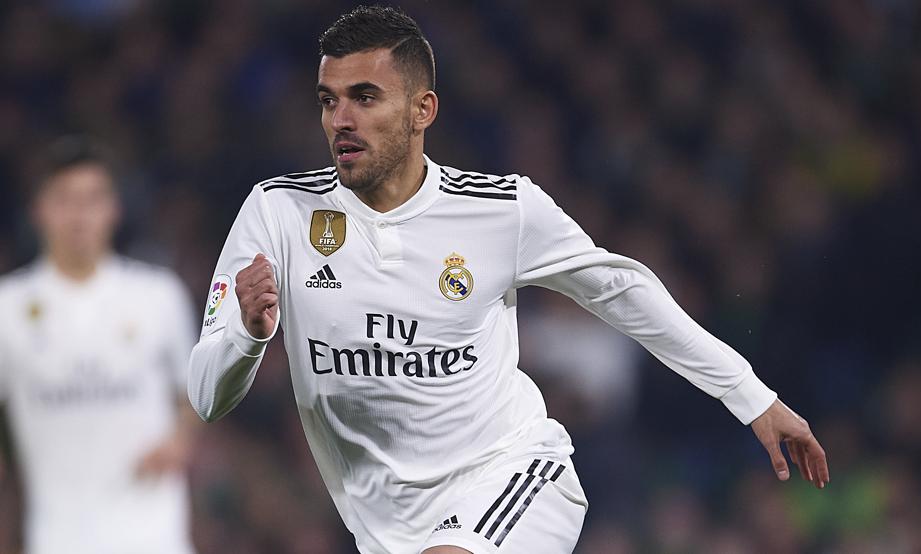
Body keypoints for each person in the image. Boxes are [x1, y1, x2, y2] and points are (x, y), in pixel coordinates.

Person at [188, 6, 830, 554]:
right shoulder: (278, 213)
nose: (340, 120)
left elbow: (619, 290)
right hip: (387, 530)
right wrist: (247, 335)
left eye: (365, 97)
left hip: (513, 476)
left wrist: (750, 395)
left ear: (422, 110)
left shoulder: (502, 209)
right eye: (328, 101)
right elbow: (205, 396)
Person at [0, 137, 198, 554]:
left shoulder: (158, 295)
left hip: (155, 537)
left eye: (93, 198)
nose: (80, 215)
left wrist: (180, 439)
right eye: (64, 199)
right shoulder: (9, 309)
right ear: (38, 211)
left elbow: (195, 395)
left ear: (114, 209)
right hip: (58, 538)